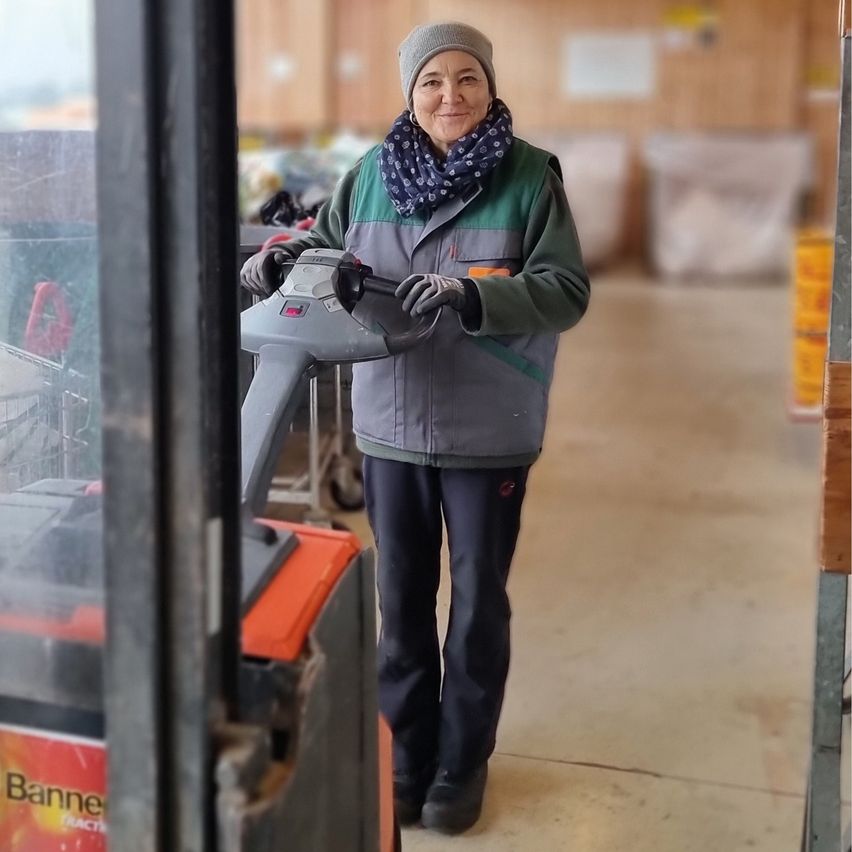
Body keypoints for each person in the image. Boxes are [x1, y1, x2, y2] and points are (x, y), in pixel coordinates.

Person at [241, 21, 590, 835]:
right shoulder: (369, 174)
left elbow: (565, 289)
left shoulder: (531, 177)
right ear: (411, 91)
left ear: (489, 85)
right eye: (432, 80)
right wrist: (281, 258)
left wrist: (478, 299)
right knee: (400, 600)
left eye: (466, 78)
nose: (450, 96)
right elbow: (326, 250)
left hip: (488, 419)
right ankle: (406, 759)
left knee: (476, 603)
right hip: (391, 416)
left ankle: (460, 768)